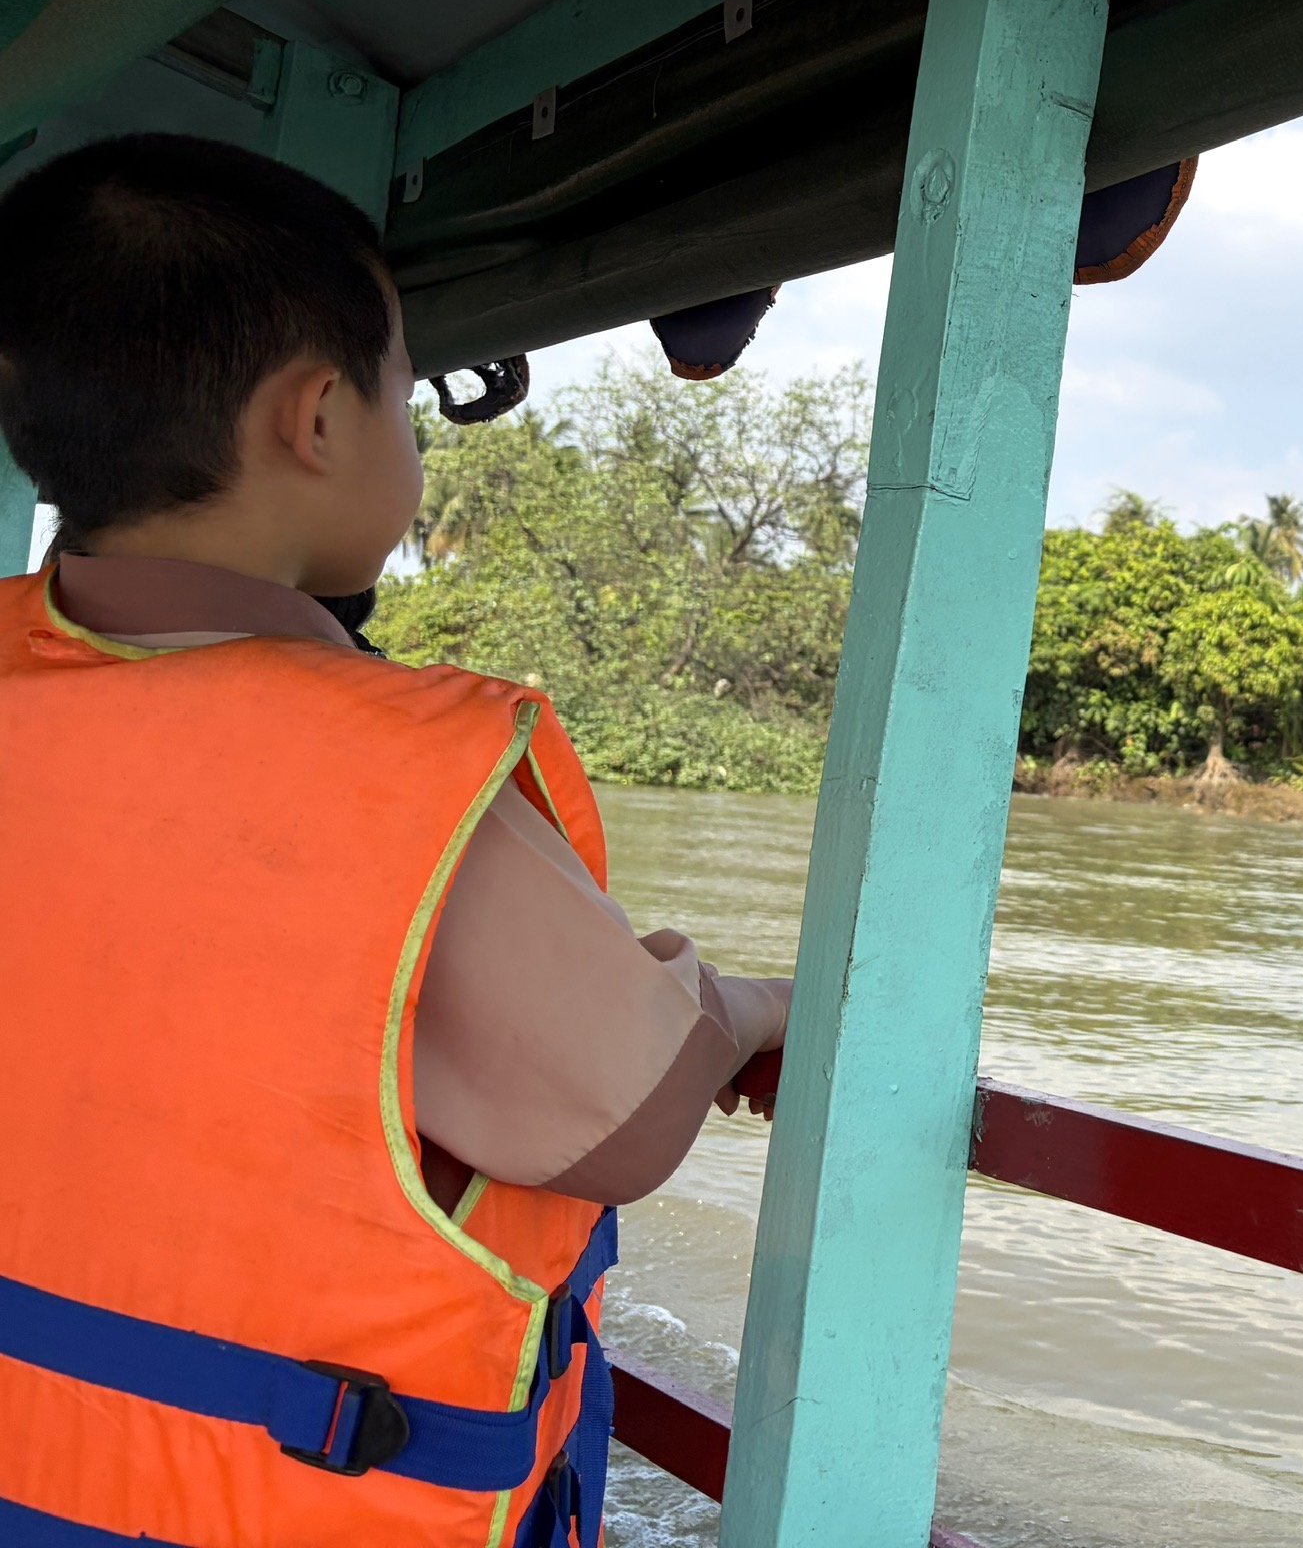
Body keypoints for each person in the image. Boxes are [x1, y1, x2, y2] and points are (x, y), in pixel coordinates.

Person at [0, 134, 791, 1546]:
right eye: (404, 401)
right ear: (317, 421)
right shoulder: (387, 776)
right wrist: (737, 1006)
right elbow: (628, 1109)